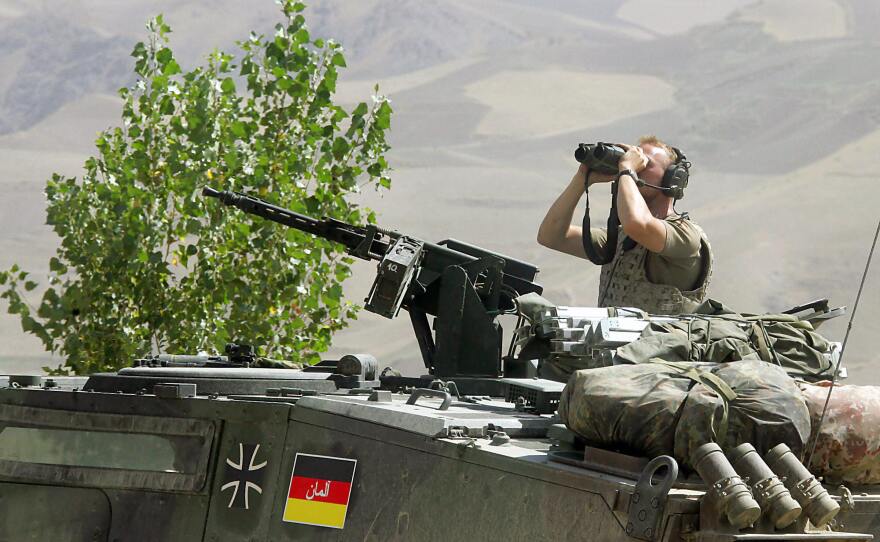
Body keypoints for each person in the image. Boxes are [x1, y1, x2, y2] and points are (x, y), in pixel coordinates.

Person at [536, 135, 712, 314]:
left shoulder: (685, 234)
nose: (638, 168)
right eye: (637, 162)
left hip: (661, 341)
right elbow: (551, 236)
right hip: (616, 341)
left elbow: (637, 224)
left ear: (672, 178)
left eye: (646, 163)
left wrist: (627, 170)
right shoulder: (621, 238)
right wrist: (582, 177)